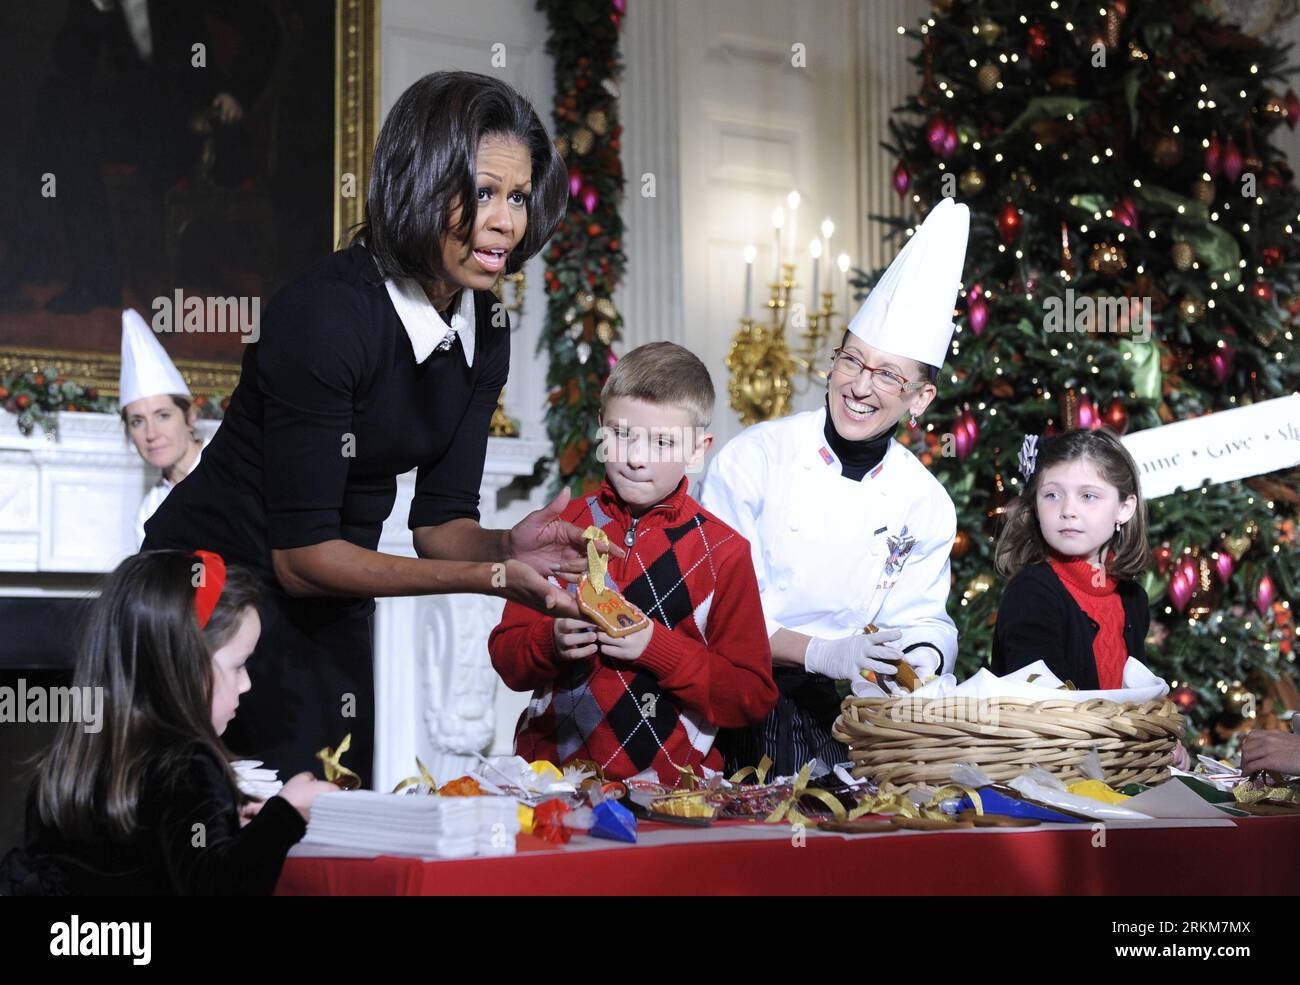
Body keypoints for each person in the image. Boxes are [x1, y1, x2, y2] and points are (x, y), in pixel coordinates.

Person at [142, 72, 610, 789]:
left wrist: (503, 544)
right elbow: (300, 557)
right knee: (224, 821)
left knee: (330, 803)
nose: (506, 222)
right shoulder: (327, 316)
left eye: (518, 197)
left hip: (330, 591)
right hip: (214, 589)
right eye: (483, 191)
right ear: (420, 181)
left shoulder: (486, 326)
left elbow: (439, 522)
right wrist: (491, 577)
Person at [699, 199, 967, 774]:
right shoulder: (752, 461)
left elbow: (922, 616)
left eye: (889, 374)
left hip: (853, 717)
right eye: (853, 360)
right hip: (739, 704)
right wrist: (824, 653)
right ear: (834, 360)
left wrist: (917, 659)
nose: (860, 387)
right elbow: (718, 611)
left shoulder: (925, 503)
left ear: (920, 399)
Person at [489, 342, 777, 785]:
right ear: (602, 427)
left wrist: (656, 650)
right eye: (622, 435)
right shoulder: (561, 527)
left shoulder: (724, 552)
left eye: (663, 442)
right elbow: (507, 658)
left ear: (699, 450)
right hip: (549, 785)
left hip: (672, 795)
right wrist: (551, 643)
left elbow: (750, 696)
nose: (637, 458)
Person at [0, 550, 338, 895]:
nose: (246, 683)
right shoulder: (187, 766)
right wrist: (287, 813)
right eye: (238, 665)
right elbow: (219, 887)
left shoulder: (67, 766)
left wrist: (235, 829)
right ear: (184, 665)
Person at [992, 427, 1150, 689]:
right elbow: (1041, 707)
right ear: (1036, 507)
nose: (1067, 510)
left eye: (1088, 496)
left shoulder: (1134, 599)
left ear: (1124, 508)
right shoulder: (1031, 592)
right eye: (1052, 495)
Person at [119, 308, 205, 548]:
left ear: (190, 418)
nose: (151, 434)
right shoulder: (149, 511)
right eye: (137, 421)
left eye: (163, 415)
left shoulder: (231, 470)